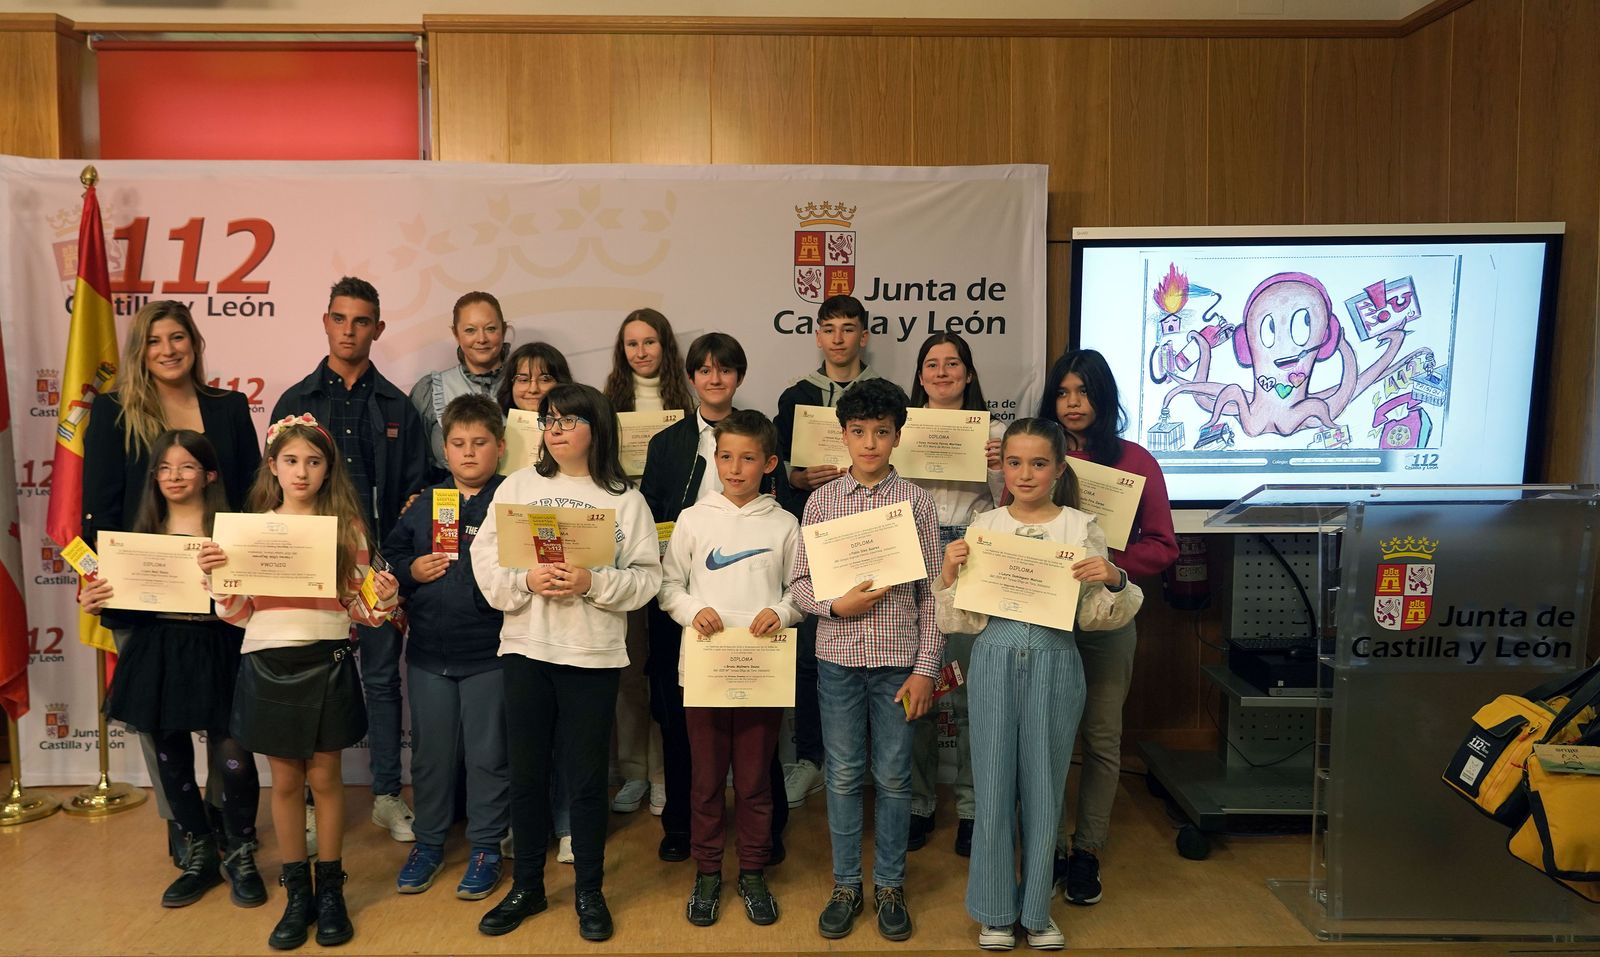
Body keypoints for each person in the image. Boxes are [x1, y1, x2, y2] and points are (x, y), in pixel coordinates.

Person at [934, 417, 1142, 950]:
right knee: (994, 782)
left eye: (1038, 463)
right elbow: (958, 621)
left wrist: (1113, 578)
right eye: (1014, 462)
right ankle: (996, 908)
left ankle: (1037, 908)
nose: (1025, 474)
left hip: (1055, 659)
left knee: (1047, 786)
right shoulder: (986, 527)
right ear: (1001, 466)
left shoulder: (1080, 527)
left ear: (1059, 468)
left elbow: (1099, 616)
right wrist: (949, 575)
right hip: (996, 658)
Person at [471, 384, 662, 942]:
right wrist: (526, 579)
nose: (555, 429)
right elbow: (485, 560)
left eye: (568, 421)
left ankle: (589, 891)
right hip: (527, 649)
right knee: (527, 774)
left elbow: (648, 576)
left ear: (596, 429)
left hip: (593, 655)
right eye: (549, 421)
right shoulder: (518, 486)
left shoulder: (625, 498)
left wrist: (592, 582)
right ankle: (527, 886)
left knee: (585, 779)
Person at [199, 415, 399, 950]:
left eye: (314, 461)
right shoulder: (250, 528)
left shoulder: (347, 528)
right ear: (273, 466)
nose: (302, 471)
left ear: (328, 468)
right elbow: (238, 612)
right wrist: (218, 581)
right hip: (266, 661)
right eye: (291, 461)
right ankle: (296, 894)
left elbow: (361, 610)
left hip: (327, 658)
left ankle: (330, 891)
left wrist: (385, 595)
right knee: (286, 784)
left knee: (327, 780)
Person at [80, 299, 260, 869]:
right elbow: (98, 510)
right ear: (140, 350)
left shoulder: (228, 407)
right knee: (161, 725)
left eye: (177, 337)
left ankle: (227, 827)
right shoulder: (112, 412)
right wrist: (96, 582)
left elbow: (253, 498)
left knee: (225, 722)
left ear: (195, 343)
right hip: (143, 599)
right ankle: (184, 827)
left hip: (220, 594)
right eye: (154, 340)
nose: (167, 349)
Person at [271, 277, 427, 846]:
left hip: (374, 568)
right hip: (307, 572)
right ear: (326, 321)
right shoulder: (296, 401)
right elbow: (271, 493)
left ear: (377, 329)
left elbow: (415, 491)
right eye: (340, 318)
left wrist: (397, 567)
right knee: (308, 683)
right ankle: (308, 804)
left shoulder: (397, 406)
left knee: (384, 681)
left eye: (361, 321)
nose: (349, 330)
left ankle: (387, 795)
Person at [789, 378, 941, 942]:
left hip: (900, 662)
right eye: (859, 432)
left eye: (882, 432)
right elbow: (800, 586)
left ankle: (890, 886)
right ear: (843, 435)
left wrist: (927, 667)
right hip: (838, 662)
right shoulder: (822, 501)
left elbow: (932, 595)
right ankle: (847, 884)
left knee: (896, 778)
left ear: (898, 436)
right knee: (846, 774)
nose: (870, 443)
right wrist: (836, 604)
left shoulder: (917, 502)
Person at [1037, 349, 1177, 906]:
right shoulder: (1038, 456)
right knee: (1045, 738)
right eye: (1064, 393)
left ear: (1104, 398)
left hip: (1109, 616)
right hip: (1045, 617)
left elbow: (1164, 545)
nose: (1073, 404)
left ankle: (1086, 851)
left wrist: (1117, 568)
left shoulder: (1136, 461)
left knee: (1099, 737)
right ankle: (1046, 846)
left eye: (1085, 393)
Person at [657, 409, 799, 927]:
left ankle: (755, 871)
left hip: (762, 671)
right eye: (725, 457)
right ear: (713, 459)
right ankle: (709, 872)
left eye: (747, 458)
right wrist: (694, 611)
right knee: (706, 779)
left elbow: (800, 592)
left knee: (757, 780)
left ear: (769, 463)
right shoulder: (695, 519)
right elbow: (669, 587)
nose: (734, 468)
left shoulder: (786, 524)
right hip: (705, 671)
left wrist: (782, 612)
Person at [638, 332, 760, 862]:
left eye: (725, 370)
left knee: (756, 715)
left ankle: (763, 830)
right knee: (679, 713)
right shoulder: (667, 443)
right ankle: (681, 824)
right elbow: (651, 513)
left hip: (749, 600)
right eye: (704, 370)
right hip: (682, 597)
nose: (714, 378)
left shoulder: (757, 432)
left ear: (738, 377)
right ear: (690, 378)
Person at [383, 395, 510, 901]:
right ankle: (430, 844)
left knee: (488, 756)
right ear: (445, 449)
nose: (469, 453)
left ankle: (485, 847)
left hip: (491, 654)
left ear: (500, 447)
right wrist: (410, 571)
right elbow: (389, 560)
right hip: (429, 655)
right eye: (458, 444)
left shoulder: (513, 501)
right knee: (432, 757)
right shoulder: (426, 502)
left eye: (480, 443)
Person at [772, 294, 883, 810]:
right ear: (817, 335)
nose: (838, 338)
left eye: (849, 329)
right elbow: (777, 468)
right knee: (816, 650)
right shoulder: (796, 395)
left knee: (880, 648)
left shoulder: (885, 395)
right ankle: (813, 758)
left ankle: (868, 764)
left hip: (877, 532)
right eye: (829, 328)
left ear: (864, 335)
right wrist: (795, 478)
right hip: (819, 528)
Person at [903, 332, 1004, 857]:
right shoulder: (899, 431)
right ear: (920, 375)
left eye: (953, 364)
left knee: (968, 695)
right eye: (932, 365)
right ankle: (919, 803)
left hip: (972, 564)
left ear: (968, 373)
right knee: (918, 689)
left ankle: (971, 808)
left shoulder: (996, 435)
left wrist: (996, 465)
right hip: (912, 565)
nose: (942, 373)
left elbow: (1017, 505)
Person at [602, 309, 692, 817]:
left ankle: (663, 775)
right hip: (617, 539)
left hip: (668, 543)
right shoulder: (608, 403)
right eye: (631, 343)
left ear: (666, 347)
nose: (641, 352)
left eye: (650, 342)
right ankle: (633, 771)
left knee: (663, 666)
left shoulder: (686, 402)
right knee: (629, 667)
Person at [410, 291, 510, 477]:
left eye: (490, 329)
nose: (481, 339)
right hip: (449, 501)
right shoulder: (431, 391)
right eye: (470, 330)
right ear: (456, 334)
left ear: (503, 330)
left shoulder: (526, 387)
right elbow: (413, 460)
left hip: (516, 502)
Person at [496, 342, 573, 417]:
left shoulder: (581, 427)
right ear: (510, 385)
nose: (533, 390)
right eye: (524, 380)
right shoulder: (495, 428)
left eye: (544, 380)